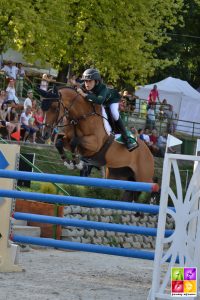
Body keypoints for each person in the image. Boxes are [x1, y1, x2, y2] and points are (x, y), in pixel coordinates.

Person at [77, 68, 136, 151]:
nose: (87, 83)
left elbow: (99, 100)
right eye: (86, 81)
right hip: (103, 102)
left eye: (90, 81)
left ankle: (127, 139)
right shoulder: (85, 86)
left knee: (114, 113)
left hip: (112, 100)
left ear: (96, 81)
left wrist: (84, 95)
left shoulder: (103, 88)